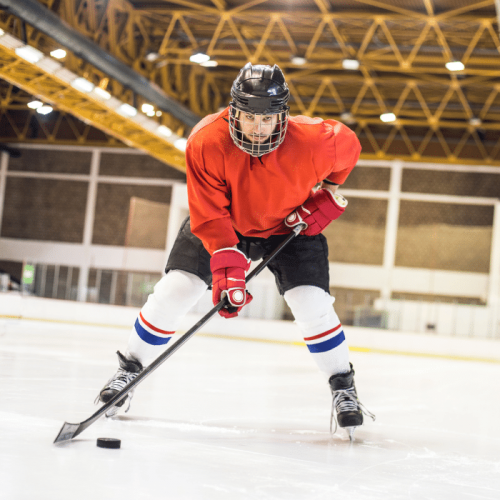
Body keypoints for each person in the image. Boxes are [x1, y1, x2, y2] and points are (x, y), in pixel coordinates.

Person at [96, 62, 374, 437]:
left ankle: (344, 387)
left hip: (289, 225)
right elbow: (208, 212)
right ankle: (128, 370)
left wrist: (324, 192)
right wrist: (228, 265)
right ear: (233, 112)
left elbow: (350, 148)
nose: (258, 129)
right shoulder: (206, 141)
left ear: (283, 116)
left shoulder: (317, 140)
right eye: (248, 118)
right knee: (176, 290)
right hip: (225, 221)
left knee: (312, 304)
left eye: (267, 119)